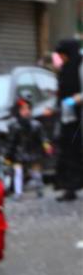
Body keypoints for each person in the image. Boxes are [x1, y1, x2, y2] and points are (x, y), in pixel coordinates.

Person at [53, 38, 83, 201]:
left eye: (63, 55)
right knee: (68, 153)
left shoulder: (80, 67)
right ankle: (69, 188)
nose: (62, 59)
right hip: (67, 119)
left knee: (75, 153)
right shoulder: (65, 69)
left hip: (78, 118)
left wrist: (74, 100)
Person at [4, 96, 49, 199]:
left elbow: (43, 138)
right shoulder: (14, 126)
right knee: (18, 173)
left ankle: (39, 188)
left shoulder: (36, 125)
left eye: (28, 109)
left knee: (36, 173)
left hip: (33, 152)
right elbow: (11, 142)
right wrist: (8, 156)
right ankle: (18, 192)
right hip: (19, 154)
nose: (26, 111)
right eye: (23, 109)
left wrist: (46, 145)